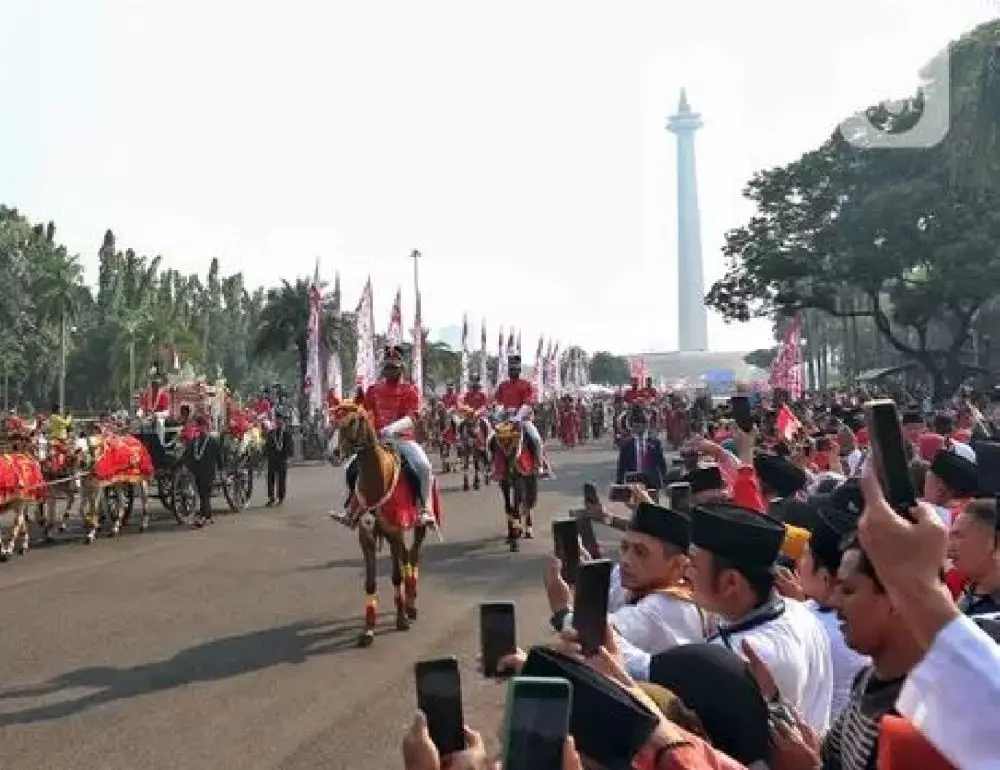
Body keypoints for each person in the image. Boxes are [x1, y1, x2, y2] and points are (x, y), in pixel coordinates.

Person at [363, 345, 436, 525]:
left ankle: (426, 508)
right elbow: (365, 412)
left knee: (424, 467)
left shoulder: (410, 390)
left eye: (394, 368)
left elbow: (414, 416)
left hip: (403, 440)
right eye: (387, 367)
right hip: (378, 441)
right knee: (350, 467)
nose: (390, 371)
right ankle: (351, 509)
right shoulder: (373, 390)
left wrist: (392, 428)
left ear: (401, 368)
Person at [493, 354, 551, 476]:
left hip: (523, 419)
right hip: (506, 420)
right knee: (492, 440)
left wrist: (518, 416)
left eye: (515, 369)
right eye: (511, 369)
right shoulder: (503, 385)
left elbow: (527, 403)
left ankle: (540, 465)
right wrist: (498, 413)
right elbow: (498, 402)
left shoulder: (526, 385)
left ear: (519, 370)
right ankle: (493, 467)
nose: (513, 372)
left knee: (536, 439)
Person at [615, 404, 668, 491]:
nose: (637, 429)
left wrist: (665, 479)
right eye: (634, 426)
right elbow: (621, 466)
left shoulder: (654, 442)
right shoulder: (626, 445)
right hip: (633, 481)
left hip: (652, 481)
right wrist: (619, 484)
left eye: (639, 426)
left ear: (645, 426)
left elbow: (661, 463)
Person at [183, 415, 221, 528]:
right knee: (202, 493)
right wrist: (185, 465)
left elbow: (219, 457)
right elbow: (188, 455)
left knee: (205, 494)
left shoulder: (212, 442)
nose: (200, 428)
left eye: (202, 426)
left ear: (205, 427)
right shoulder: (194, 441)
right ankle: (208, 516)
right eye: (198, 426)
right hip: (198, 472)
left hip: (208, 472)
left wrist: (221, 470)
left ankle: (203, 517)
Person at [265, 412, 292, 506]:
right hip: (272, 459)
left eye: (280, 419)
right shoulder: (271, 433)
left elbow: (289, 447)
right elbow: (267, 446)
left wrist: (286, 458)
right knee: (270, 479)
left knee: (281, 480)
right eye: (277, 419)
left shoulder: (286, 434)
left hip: (282, 459)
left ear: (282, 421)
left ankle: (280, 498)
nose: (278, 421)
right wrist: (267, 456)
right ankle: (271, 498)